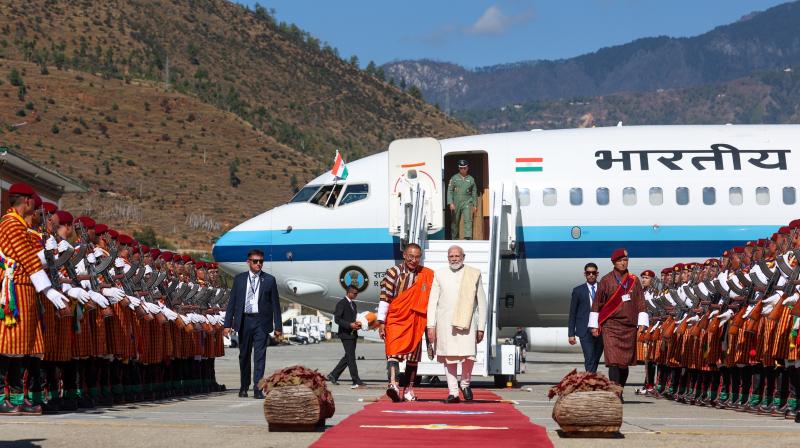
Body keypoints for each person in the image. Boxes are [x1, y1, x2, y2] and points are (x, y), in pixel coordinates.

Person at [426, 245, 487, 403]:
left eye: (457, 256)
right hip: (445, 325)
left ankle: (465, 383)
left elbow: (482, 303)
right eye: (451, 256)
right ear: (448, 258)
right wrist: (430, 326)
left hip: (467, 323)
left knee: (469, 357)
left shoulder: (474, 274)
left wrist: (481, 327)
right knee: (448, 358)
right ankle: (453, 392)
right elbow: (432, 302)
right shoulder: (439, 274)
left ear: (463, 257)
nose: (454, 259)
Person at [588, 248, 648, 397]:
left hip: (629, 327)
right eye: (620, 260)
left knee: (624, 363)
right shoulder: (606, 280)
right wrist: (595, 325)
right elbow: (596, 303)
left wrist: (642, 323)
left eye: (625, 260)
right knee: (613, 361)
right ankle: (615, 393)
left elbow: (641, 302)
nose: (623, 263)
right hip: (611, 326)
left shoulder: (634, 280)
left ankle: (620, 389)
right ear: (614, 262)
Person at [378, 243, 433, 402]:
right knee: (392, 352)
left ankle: (409, 389)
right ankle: (393, 385)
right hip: (396, 318)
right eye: (411, 257)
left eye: (417, 257)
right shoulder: (393, 273)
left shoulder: (427, 274)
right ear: (404, 255)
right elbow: (385, 298)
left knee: (413, 357)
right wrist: (382, 322)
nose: (414, 260)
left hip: (417, 319)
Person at [223, 249, 282, 399]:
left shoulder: (269, 280)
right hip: (244, 321)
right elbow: (232, 303)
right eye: (255, 261)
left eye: (261, 261)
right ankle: (244, 386)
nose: (258, 264)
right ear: (248, 262)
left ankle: (258, 388)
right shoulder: (239, 279)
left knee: (260, 356)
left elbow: (276, 304)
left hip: (261, 322)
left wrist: (278, 327)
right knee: (244, 355)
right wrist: (227, 324)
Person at [327, 285, 366, 389]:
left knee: (348, 357)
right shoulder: (342, 303)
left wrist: (358, 324)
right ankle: (356, 380)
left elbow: (354, 318)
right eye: (355, 293)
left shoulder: (353, 304)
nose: (356, 295)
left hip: (353, 334)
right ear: (349, 293)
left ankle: (333, 375)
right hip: (345, 334)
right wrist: (349, 325)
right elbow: (337, 319)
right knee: (351, 358)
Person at [568, 263, 603, 373]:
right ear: (585, 274)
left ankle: (591, 378)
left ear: (597, 274)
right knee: (589, 357)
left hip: (600, 328)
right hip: (585, 329)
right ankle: (590, 380)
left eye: (593, 273)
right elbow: (572, 313)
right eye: (588, 273)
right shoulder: (578, 291)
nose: (591, 275)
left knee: (596, 358)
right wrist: (571, 334)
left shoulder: (603, 288)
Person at [447, 160, 477, 240]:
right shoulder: (454, 178)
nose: (463, 170)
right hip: (456, 202)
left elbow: (474, 192)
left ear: (467, 168)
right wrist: (450, 203)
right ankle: (455, 238)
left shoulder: (471, 179)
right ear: (459, 168)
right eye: (461, 168)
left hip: (467, 201)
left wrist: (475, 204)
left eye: (464, 168)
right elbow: (449, 191)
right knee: (455, 221)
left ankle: (468, 237)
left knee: (468, 220)